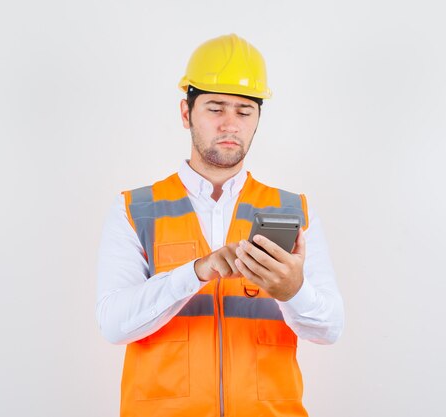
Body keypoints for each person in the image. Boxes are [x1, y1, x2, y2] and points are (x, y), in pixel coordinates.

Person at [96, 33, 344, 417]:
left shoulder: (293, 210)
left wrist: (294, 291)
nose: (231, 124)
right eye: (216, 108)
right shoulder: (135, 209)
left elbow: (329, 329)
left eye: (244, 112)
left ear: (258, 119)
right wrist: (197, 272)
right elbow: (114, 325)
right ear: (186, 113)